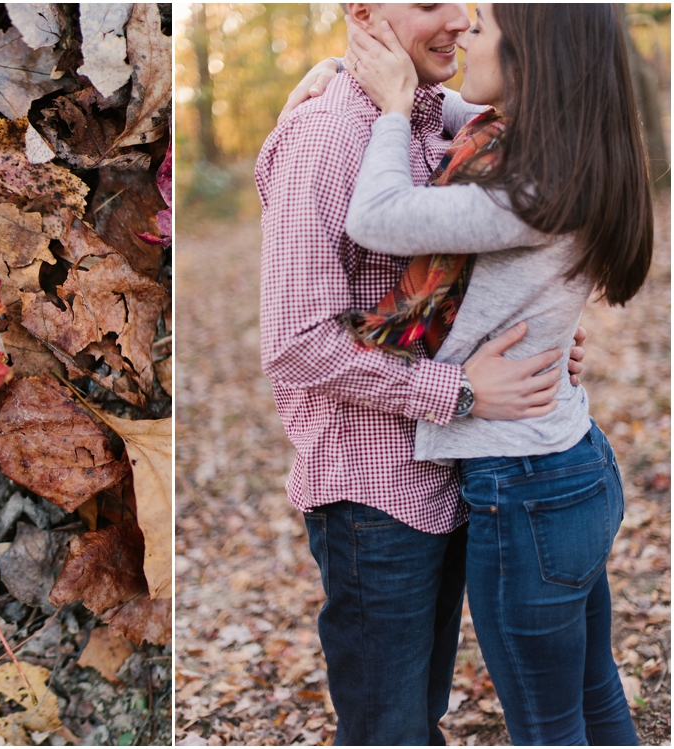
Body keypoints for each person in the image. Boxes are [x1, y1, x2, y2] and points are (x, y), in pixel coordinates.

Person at [256, 3, 586, 745]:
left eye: (462, 1)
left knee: (419, 716)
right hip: (375, 497)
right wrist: (461, 392)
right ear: (363, 11)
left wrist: (548, 331)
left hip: (451, 474)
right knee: (388, 729)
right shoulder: (326, 137)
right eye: (430, 2)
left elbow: (470, 263)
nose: (462, 20)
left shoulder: (434, 118)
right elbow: (297, 343)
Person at [334, 4, 650, 744]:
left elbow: (376, 216)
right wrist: (355, 73)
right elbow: (458, 104)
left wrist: (387, 109)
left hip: (525, 486)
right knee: (593, 688)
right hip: (570, 464)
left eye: (486, 29)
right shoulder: (562, 155)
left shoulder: (530, 189)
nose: (468, 33)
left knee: (548, 725)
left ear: (535, 57)